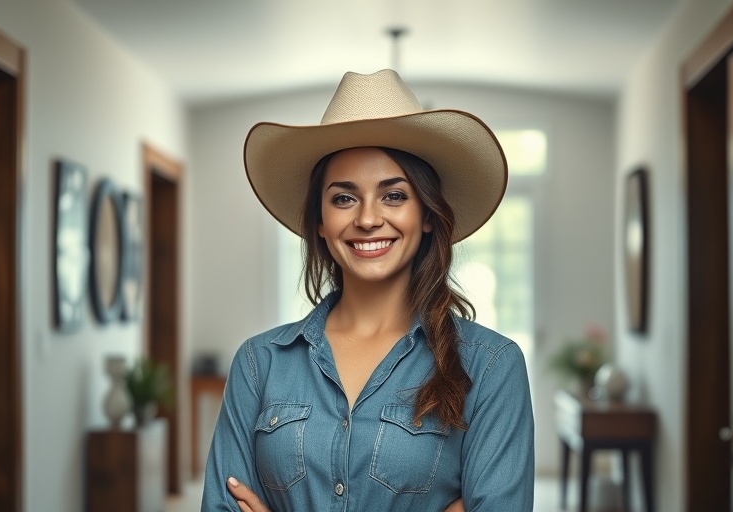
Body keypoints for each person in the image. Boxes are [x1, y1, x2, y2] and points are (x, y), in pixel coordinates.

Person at [202, 69, 534, 511]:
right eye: (343, 198)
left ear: (428, 214)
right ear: (320, 222)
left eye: (394, 195)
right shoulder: (258, 364)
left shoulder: (492, 368)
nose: (367, 219)